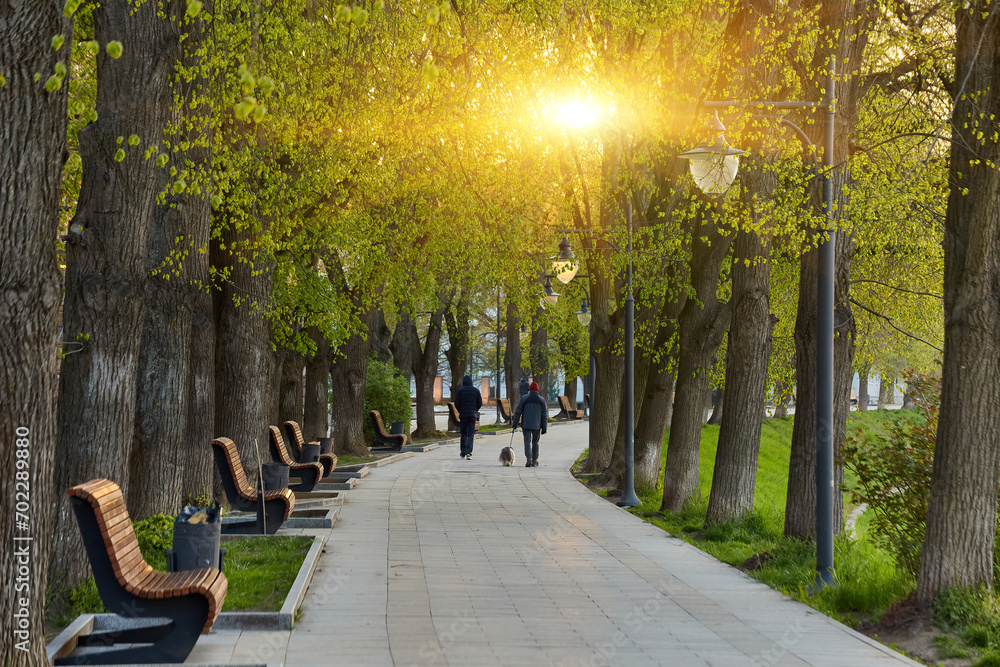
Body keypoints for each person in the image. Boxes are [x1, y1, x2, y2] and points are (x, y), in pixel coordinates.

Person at [512, 381, 548, 467]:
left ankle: (529, 459)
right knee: (535, 442)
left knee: (527, 441)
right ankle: (534, 460)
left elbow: (517, 412)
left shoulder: (524, 398)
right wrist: (544, 428)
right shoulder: (541, 400)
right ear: (537, 390)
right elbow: (544, 415)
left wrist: (515, 423)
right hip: (537, 425)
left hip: (526, 424)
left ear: (530, 389)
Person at [454, 375, 482, 460]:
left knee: (463, 433)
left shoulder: (460, 391)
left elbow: (456, 403)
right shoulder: (476, 391)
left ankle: (463, 452)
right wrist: (475, 410)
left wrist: (460, 410)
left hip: (463, 415)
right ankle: (469, 452)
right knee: (470, 434)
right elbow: (479, 403)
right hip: (472, 415)